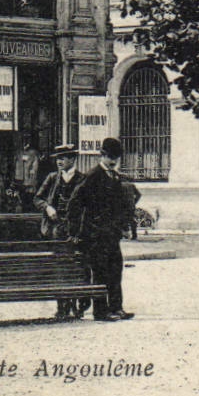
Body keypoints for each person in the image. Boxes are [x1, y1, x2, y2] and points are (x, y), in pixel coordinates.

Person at [67, 137, 135, 322]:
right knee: (100, 272)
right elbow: (75, 203)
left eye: (116, 157)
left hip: (112, 234)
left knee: (115, 269)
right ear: (102, 155)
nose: (113, 161)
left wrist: (122, 225)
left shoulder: (114, 176)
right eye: (109, 157)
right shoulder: (93, 176)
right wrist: (77, 230)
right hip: (95, 235)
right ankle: (101, 311)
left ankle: (116, 307)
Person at [36, 144, 85, 318]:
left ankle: (75, 302)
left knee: (75, 265)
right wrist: (47, 207)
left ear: (72, 159)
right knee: (60, 266)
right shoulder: (52, 178)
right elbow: (38, 198)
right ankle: (62, 304)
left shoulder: (81, 179)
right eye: (58, 158)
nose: (59, 161)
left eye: (63, 158)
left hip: (74, 230)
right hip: (56, 229)